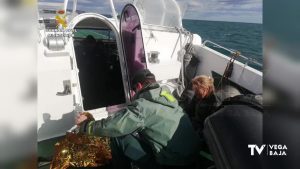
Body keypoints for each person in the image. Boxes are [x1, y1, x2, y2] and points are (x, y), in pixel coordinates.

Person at [76, 69, 201, 169]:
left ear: (139, 85)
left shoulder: (142, 106)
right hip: (192, 158)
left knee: (118, 137)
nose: (134, 93)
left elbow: (115, 126)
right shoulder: (169, 99)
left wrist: (86, 125)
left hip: (171, 163)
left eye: (134, 90)